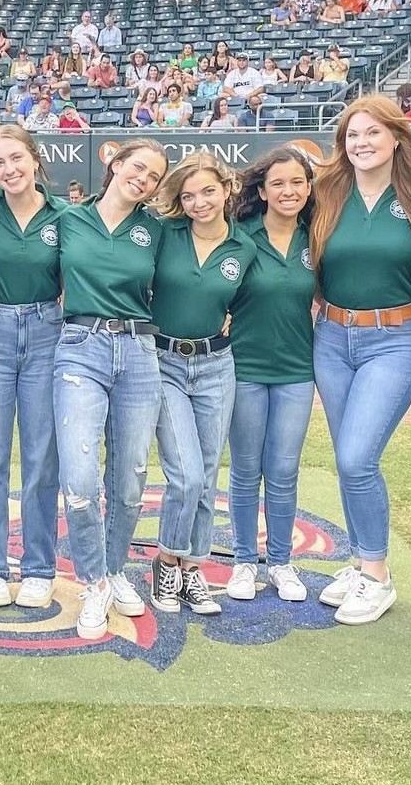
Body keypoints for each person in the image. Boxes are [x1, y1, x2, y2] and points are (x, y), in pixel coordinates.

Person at [310, 96, 411, 625]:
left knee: (358, 457)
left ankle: (378, 576)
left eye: (372, 133)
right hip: (332, 335)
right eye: (352, 135)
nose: (360, 143)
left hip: (396, 337)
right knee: (346, 457)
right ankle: (361, 563)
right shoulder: (325, 194)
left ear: (396, 139)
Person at [54, 139, 169, 639]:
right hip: (81, 344)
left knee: (131, 476)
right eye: (137, 168)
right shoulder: (68, 218)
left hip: (140, 352)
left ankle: (115, 567)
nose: (142, 180)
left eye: (153, 177)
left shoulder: (156, 232)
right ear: (116, 164)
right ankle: (94, 581)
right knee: (79, 475)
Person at [148, 154, 255, 616]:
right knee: (186, 473)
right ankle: (167, 560)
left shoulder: (243, 247)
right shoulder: (163, 234)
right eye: (188, 195)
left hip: (216, 364)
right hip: (164, 361)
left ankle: (193, 569)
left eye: (207, 191)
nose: (198, 202)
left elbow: (246, 303)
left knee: (208, 475)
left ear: (226, 188)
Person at [0, 126, 66, 610]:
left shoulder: (62, 214)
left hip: (48, 331)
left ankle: (38, 566)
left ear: (34, 158)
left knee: (41, 457)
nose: (8, 170)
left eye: (16, 158)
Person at [224, 148, 316, 604]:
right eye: (278, 183)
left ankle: (280, 563)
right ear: (261, 191)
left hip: (298, 370)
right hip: (244, 368)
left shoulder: (317, 238)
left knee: (282, 470)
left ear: (308, 188)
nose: (288, 191)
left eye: (297, 182)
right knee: (245, 470)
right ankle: (243, 561)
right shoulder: (240, 238)